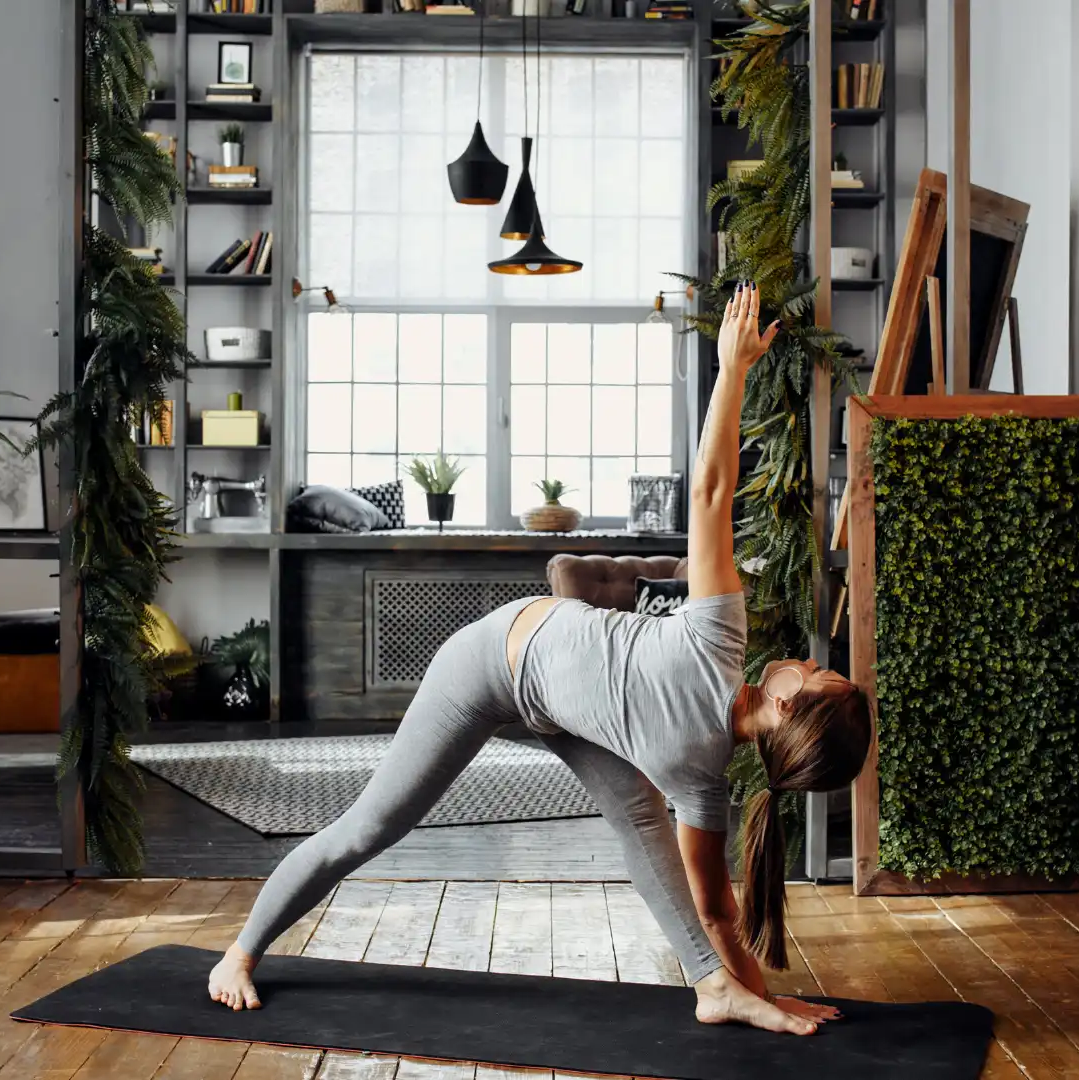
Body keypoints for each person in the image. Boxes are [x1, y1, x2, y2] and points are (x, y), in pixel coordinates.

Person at [207, 284, 874, 1035]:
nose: (805, 661)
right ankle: (244, 949)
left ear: (787, 705)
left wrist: (732, 368)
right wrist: (767, 992)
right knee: (380, 827)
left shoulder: (719, 643)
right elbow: (716, 909)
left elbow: (711, 491)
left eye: (816, 673)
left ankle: (718, 992)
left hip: (506, 663)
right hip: (499, 676)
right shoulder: (704, 779)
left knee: (624, 824)